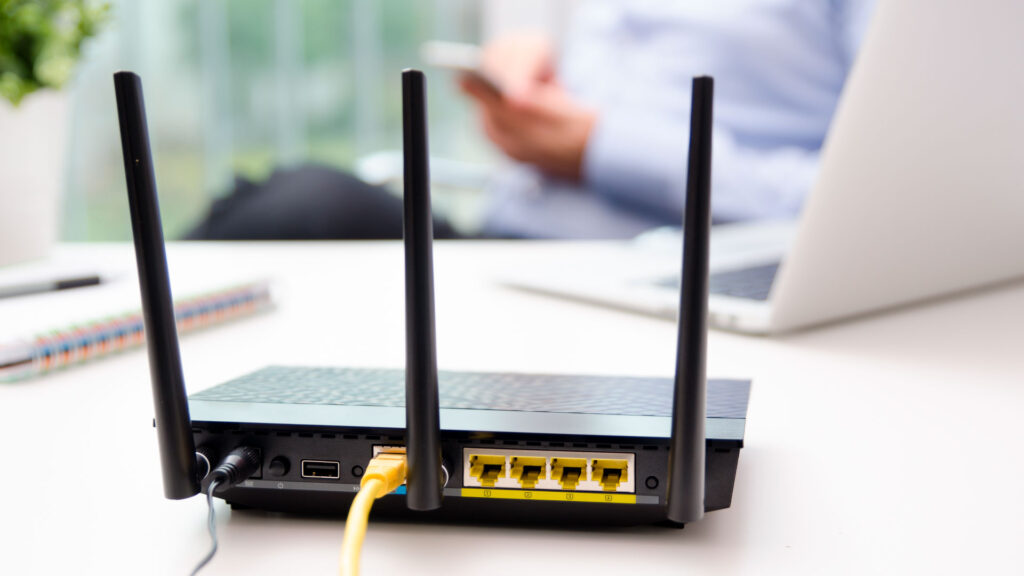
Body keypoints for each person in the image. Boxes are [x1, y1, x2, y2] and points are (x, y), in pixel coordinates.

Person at [189, 0, 877, 241]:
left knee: (310, 202)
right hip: (508, 243)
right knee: (273, 208)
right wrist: (533, 90)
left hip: (661, 275)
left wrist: (598, 147)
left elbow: (866, 195)